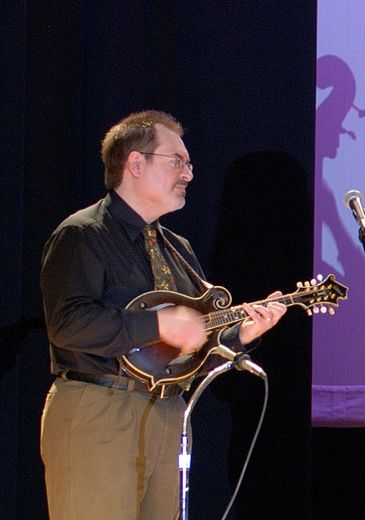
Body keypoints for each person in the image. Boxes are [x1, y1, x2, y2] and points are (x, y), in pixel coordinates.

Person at [38, 110, 288, 519]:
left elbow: (187, 346)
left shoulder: (177, 248)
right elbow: (68, 324)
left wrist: (239, 335)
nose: (188, 173)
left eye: (188, 164)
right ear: (136, 163)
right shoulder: (83, 234)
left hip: (168, 414)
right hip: (100, 410)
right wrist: (159, 323)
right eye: (177, 161)